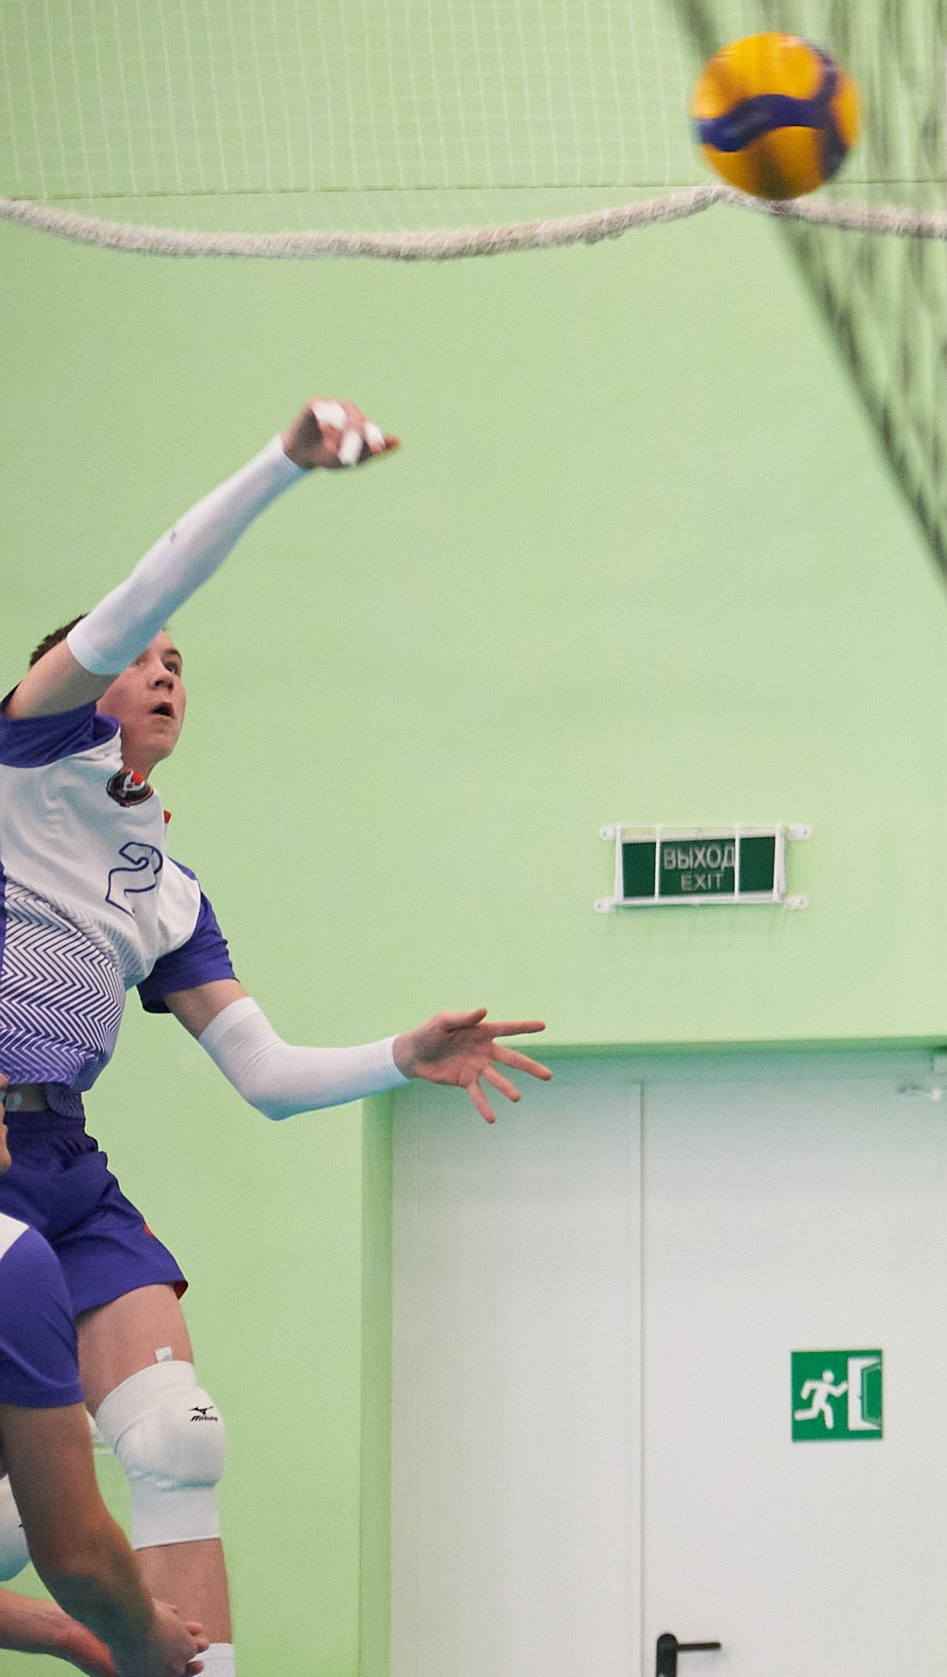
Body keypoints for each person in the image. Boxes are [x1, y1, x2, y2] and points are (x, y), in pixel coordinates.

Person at [0, 400, 553, 1676]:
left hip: (66, 1178)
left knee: (180, 1435)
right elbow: (149, 583)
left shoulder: (166, 888)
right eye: (148, 655)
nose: (167, 668)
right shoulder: (26, 761)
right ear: (84, 679)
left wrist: (397, 1059)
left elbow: (263, 1073)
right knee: (22, 1538)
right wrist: (281, 469)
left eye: (184, 664)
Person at [0, 1081, 208, 1677]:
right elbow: (77, 1558)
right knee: (23, 1516)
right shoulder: (14, 1263)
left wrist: (72, 1634)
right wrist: (141, 1637)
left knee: (179, 1437)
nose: (9, 1080)